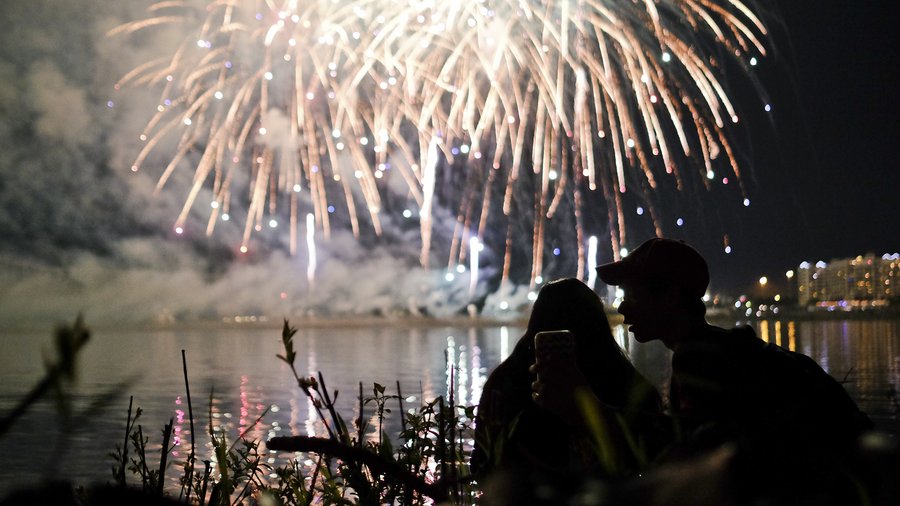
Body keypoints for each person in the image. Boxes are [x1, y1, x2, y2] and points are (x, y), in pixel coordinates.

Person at [592, 237, 874, 503]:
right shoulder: (725, 349)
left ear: (670, 296)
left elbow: (697, 459)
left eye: (632, 294)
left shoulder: (699, 358)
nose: (623, 307)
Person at [472, 278, 665, 496]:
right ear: (597, 324)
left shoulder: (506, 381)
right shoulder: (627, 383)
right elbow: (653, 461)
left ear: (537, 321)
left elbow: (483, 465)